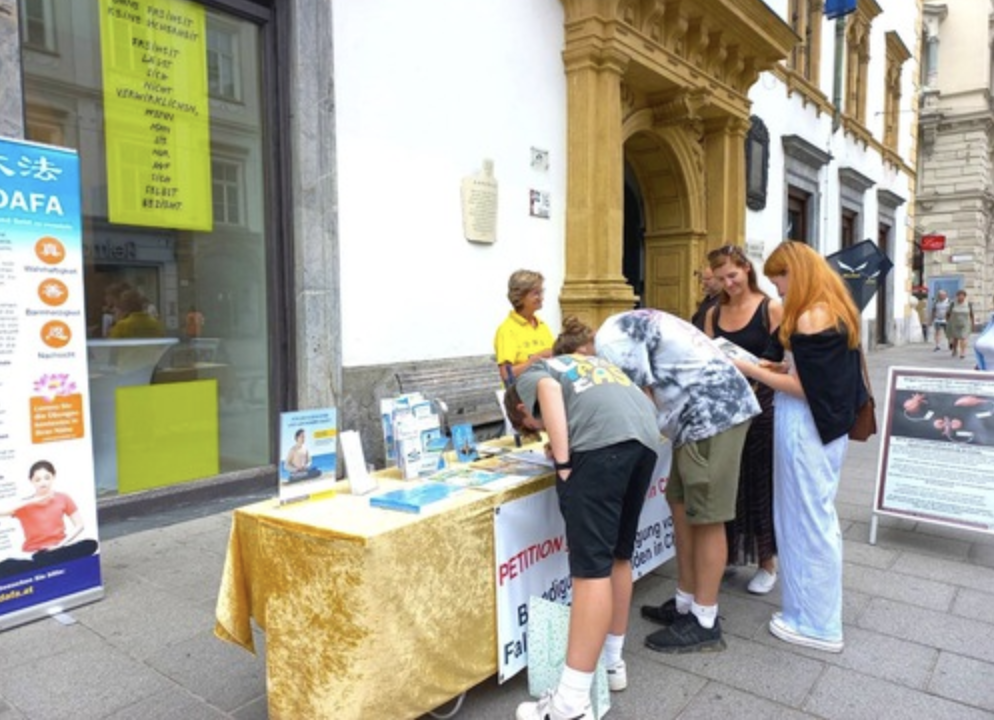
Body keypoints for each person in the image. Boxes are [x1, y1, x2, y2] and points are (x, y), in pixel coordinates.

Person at [507, 317, 659, 720]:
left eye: (532, 425)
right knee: (619, 557)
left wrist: (563, 461)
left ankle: (570, 705)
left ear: (523, 410)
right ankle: (612, 664)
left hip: (602, 450)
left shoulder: (535, 374)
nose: (539, 429)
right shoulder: (592, 363)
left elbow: (548, 392)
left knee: (590, 572)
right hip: (643, 442)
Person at [596, 309, 760, 653]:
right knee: (682, 506)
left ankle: (704, 620)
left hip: (711, 415)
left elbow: (638, 400)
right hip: (694, 417)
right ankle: (686, 602)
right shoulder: (617, 329)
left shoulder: (611, 343)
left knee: (706, 516)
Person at [732, 240, 865, 654]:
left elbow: (803, 389)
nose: (778, 290)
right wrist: (778, 364)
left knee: (805, 521)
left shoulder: (810, 316)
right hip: (823, 429)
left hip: (806, 428)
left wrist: (750, 368)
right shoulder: (833, 307)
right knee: (812, 517)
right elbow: (814, 374)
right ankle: (810, 614)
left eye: (780, 280)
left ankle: (818, 623)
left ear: (798, 274)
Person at [703, 244, 784, 595]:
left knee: (760, 481)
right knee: (728, 482)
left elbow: (781, 357)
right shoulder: (713, 312)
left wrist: (752, 369)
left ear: (746, 270)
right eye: (720, 279)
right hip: (726, 406)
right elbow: (706, 357)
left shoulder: (772, 307)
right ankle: (730, 553)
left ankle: (767, 562)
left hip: (763, 403)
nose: (727, 284)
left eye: (732, 275)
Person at [0, 461, 99, 579]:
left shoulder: (63, 498)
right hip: (33, 552)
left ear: (53, 477)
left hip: (59, 548)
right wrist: (32, 501)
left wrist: (60, 545)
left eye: (47, 478)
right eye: (38, 479)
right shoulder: (24, 505)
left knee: (91, 544)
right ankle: (47, 562)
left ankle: (41, 563)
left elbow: (79, 525)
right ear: (31, 481)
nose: (43, 482)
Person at [494, 269, 555, 384]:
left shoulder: (542, 325)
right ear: (520, 296)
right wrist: (534, 361)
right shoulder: (507, 330)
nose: (541, 298)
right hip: (521, 395)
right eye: (536, 293)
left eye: (541, 292)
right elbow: (506, 375)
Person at [690, 265, 722, 330]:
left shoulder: (724, 302)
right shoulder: (707, 300)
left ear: (720, 279)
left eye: (708, 279)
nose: (704, 282)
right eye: (703, 279)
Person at [947, 289, 974, 359]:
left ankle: (963, 352)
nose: (960, 297)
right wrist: (948, 322)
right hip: (954, 323)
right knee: (955, 338)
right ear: (957, 296)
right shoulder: (953, 303)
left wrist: (973, 324)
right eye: (959, 296)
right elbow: (948, 314)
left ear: (965, 297)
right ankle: (954, 350)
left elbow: (971, 314)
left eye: (962, 296)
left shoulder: (968, 304)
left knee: (963, 338)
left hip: (965, 324)